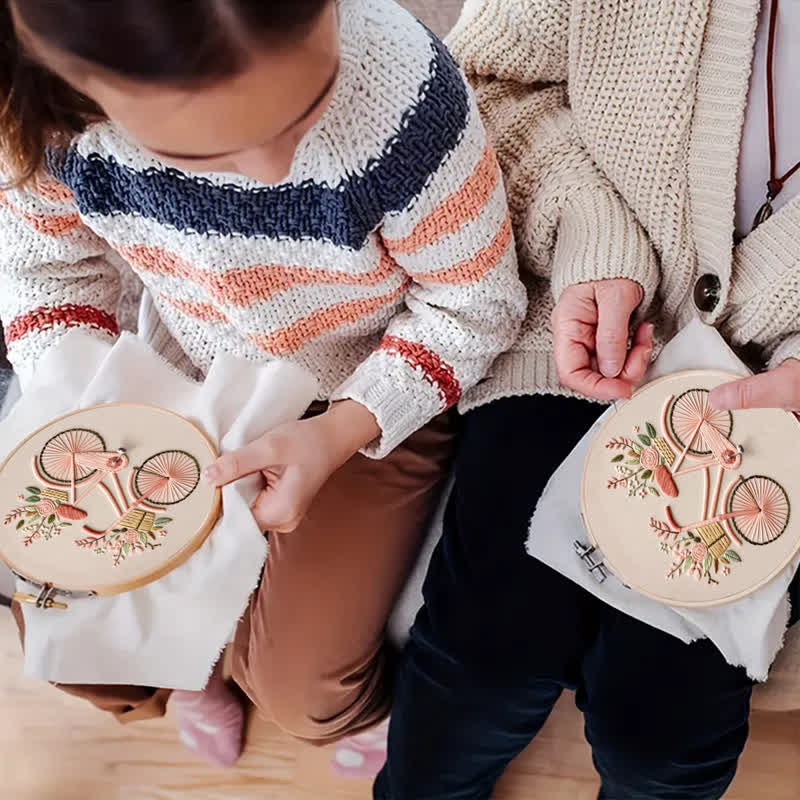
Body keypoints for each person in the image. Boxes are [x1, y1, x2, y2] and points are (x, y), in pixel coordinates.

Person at [0, 0, 525, 768]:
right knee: (73, 629)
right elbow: (43, 271)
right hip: (181, 367)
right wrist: (77, 403)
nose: (278, 171)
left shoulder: (402, 94)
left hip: (363, 386)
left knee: (307, 694)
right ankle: (187, 674)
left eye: (307, 110)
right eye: (203, 155)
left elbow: (474, 305)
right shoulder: (44, 120)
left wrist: (343, 427)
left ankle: (332, 704)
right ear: (77, 90)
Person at [374, 0, 800, 798]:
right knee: (478, 666)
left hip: (783, 433)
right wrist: (588, 231)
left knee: (663, 738)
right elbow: (474, 84)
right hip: (574, 341)